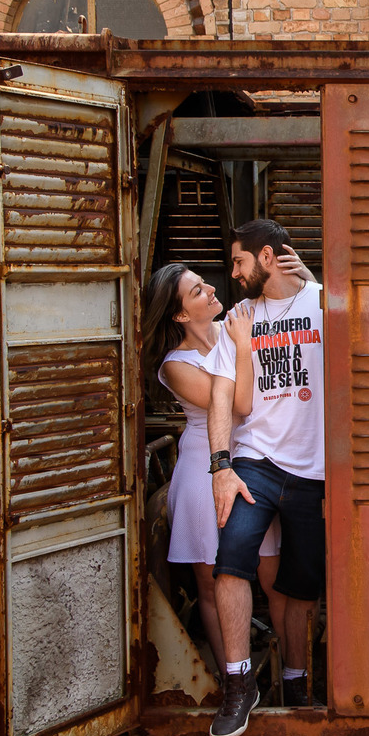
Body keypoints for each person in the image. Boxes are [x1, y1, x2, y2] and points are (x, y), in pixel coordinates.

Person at [142, 256, 311, 678]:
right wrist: (242, 347)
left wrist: (306, 278)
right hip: (205, 470)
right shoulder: (175, 365)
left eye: (205, 282)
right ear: (181, 314)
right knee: (212, 583)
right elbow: (239, 404)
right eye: (198, 290)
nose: (213, 289)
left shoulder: (235, 322)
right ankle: (233, 680)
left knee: (272, 576)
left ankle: (294, 673)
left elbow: (295, 313)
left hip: (254, 460)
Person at [207, 219, 326, 736]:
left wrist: (316, 284)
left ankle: (297, 683)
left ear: (268, 257)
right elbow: (221, 396)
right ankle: (239, 685)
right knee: (231, 560)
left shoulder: (322, 304)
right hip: (255, 460)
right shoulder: (239, 318)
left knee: (301, 585)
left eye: (239, 261)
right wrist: (221, 466)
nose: (233, 273)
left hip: (315, 469)